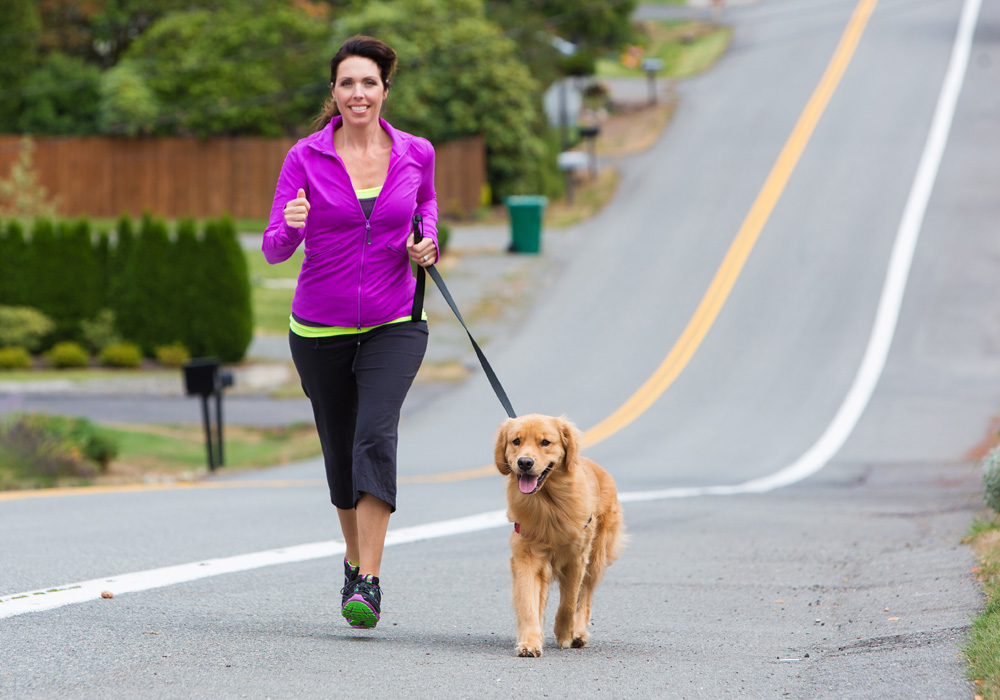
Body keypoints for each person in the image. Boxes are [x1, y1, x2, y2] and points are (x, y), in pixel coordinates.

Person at [262, 35, 439, 630]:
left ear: (385, 89)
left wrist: (427, 241)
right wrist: (291, 226)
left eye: (368, 83)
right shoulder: (305, 158)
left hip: (395, 321)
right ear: (334, 92)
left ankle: (370, 579)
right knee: (340, 455)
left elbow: (428, 207)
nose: (357, 93)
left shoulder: (416, 152)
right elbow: (273, 249)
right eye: (347, 84)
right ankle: (353, 556)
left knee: (373, 437)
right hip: (318, 328)